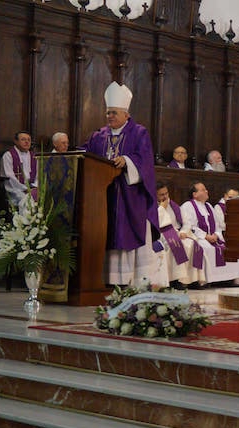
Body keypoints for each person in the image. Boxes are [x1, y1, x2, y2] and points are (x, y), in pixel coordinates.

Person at [81, 81, 159, 286]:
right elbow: (85, 155)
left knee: (124, 233)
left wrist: (127, 161)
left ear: (126, 114)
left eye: (114, 113)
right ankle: (104, 279)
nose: (110, 117)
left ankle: (127, 279)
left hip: (128, 196)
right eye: (108, 113)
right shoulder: (98, 136)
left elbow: (145, 160)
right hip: (102, 196)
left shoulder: (139, 133)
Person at [180, 181, 239, 286]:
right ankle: (206, 280)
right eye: (203, 190)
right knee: (206, 249)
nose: (206, 191)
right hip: (198, 238)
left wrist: (216, 235)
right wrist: (206, 236)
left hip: (213, 237)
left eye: (206, 189)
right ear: (194, 194)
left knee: (229, 248)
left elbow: (217, 225)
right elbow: (190, 226)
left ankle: (227, 279)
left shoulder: (209, 206)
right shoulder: (187, 206)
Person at [152, 182, 199, 288]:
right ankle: (175, 280)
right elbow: (156, 223)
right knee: (175, 244)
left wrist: (183, 231)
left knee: (192, 243)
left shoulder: (173, 205)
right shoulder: (153, 205)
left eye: (166, 193)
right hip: (161, 234)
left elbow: (186, 222)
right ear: (155, 195)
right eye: (161, 194)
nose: (165, 197)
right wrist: (162, 208)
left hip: (177, 233)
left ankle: (191, 280)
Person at [0, 130, 37, 207]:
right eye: (23, 139)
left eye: (29, 140)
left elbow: (38, 175)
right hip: (15, 189)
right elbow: (9, 177)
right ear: (16, 141)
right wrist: (25, 189)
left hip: (31, 188)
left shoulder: (34, 156)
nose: (27, 142)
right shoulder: (8, 155)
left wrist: (34, 187)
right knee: (27, 201)